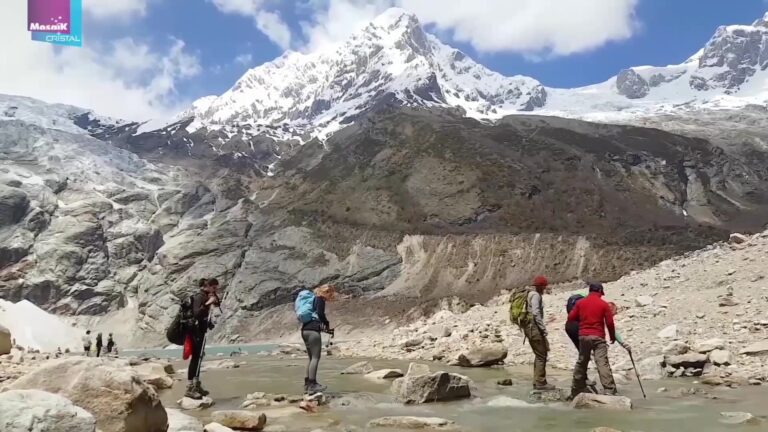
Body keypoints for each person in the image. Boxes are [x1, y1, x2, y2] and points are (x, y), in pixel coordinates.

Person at [567, 282, 618, 397]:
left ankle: (576, 388)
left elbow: (570, 317)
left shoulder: (580, 303)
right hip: (598, 337)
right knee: (602, 363)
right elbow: (610, 323)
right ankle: (609, 390)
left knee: (582, 362)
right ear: (600, 291)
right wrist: (612, 336)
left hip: (583, 337)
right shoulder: (604, 304)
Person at [185, 278, 220, 399]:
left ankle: (196, 384)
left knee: (199, 357)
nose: (215, 290)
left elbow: (217, 305)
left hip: (201, 331)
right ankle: (189, 388)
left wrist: (213, 298)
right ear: (207, 286)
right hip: (195, 332)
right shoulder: (199, 297)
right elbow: (197, 314)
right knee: (195, 358)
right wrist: (208, 302)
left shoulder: (205, 296)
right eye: (214, 288)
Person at [298, 284, 335, 394]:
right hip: (313, 332)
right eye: (331, 294)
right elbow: (320, 314)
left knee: (310, 358)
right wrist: (327, 323)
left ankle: (307, 384)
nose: (330, 297)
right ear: (326, 292)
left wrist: (326, 329)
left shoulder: (312, 300)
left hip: (305, 331)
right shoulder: (320, 299)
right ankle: (313, 384)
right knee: (315, 358)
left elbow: (315, 318)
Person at [524, 276, 555, 391]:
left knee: (539, 355)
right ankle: (541, 383)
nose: (545, 288)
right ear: (542, 286)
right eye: (544, 286)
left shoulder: (530, 294)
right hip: (534, 328)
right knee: (542, 355)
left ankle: (537, 381)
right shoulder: (536, 296)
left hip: (530, 328)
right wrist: (543, 329)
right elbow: (536, 313)